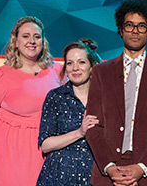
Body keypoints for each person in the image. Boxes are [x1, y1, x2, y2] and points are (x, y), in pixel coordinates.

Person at [86, 0, 147, 186]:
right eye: (129, 25)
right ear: (121, 30)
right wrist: (110, 168)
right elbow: (92, 125)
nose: (135, 31)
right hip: (108, 172)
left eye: (141, 26)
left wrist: (142, 168)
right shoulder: (101, 72)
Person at [0, 16, 64, 186]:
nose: (32, 41)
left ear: (43, 41)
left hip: (46, 150)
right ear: (15, 42)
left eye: (37, 36)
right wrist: (7, 136)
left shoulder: (57, 71)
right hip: (8, 155)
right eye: (26, 36)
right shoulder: (0, 77)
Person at [36, 38, 101, 185]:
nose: (75, 68)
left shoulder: (105, 98)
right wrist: (79, 132)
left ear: (92, 66)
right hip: (59, 175)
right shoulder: (55, 97)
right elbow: (45, 144)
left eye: (82, 62)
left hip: (95, 176)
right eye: (70, 63)